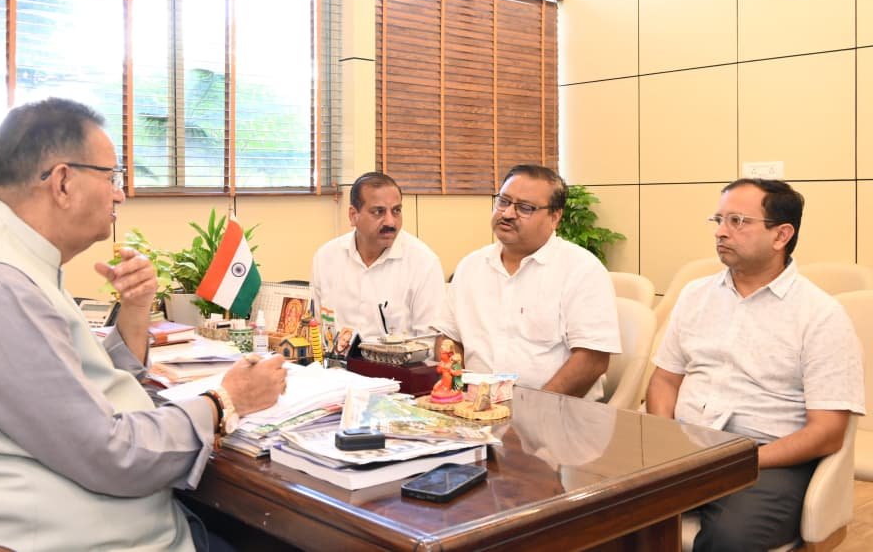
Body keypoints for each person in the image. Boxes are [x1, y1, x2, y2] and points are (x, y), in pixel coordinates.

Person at [0, 98, 287, 551]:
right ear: (63, 182)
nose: (120, 194)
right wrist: (226, 401)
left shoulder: (8, 261)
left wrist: (135, 311)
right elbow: (110, 454)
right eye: (111, 177)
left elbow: (77, 391)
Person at [646, 178, 864, 551]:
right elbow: (664, 381)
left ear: (781, 235)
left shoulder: (820, 315)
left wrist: (741, 460)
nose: (720, 232)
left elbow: (827, 431)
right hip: (687, 445)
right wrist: (667, 439)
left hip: (767, 458)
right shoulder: (695, 295)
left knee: (730, 540)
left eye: (737, 221)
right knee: (600, 512)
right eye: (718, 220)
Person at [435, 164, 620, 400]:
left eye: (525, 208)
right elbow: (449, 338)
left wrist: (535, 409)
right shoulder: (471, 266)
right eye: (503, 201)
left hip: (555, 411)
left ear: (555, 217)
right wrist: (456, 393)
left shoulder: (581, 270)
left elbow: (592, 360)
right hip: (473, 409)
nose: (507, 214)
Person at [310, 171, 445, 340]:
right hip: (335, 357)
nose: (390, 222)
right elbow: (314, 327)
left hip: (398, 358)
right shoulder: (326, 258)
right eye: (378, 212)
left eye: (396, 211)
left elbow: (430, 341)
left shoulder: (423, 263)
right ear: (353, 215)